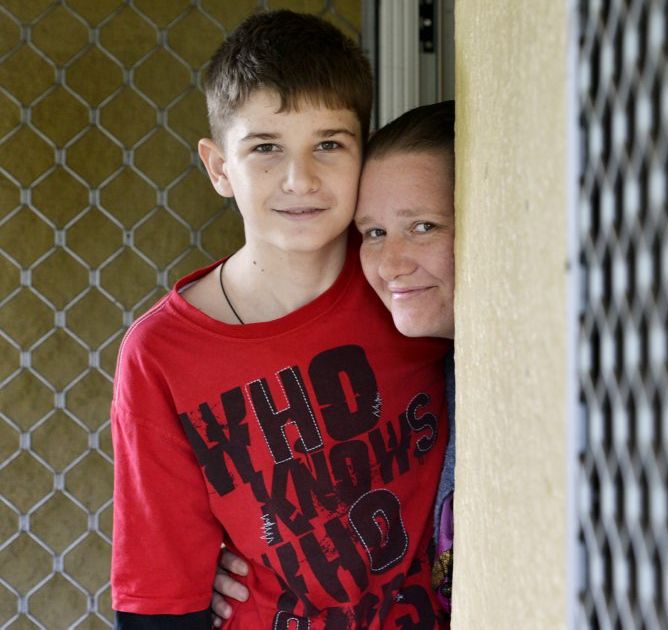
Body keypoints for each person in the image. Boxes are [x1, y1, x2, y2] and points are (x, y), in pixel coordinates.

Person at [110, 12, 451, 628]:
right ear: (219, 167)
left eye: (329, 144)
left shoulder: (403, 284)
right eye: (266, 147)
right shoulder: (161, 353)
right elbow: (161, 591)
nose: (301, 178)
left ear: (361, 154)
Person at [210, 102, 458, 626]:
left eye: (424, 226)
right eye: (372, 233)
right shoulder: (431, 352)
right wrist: (249, 556)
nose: (391, 264)